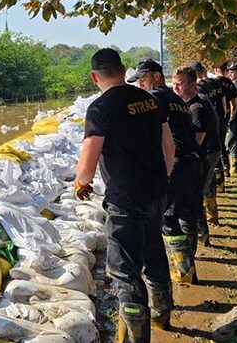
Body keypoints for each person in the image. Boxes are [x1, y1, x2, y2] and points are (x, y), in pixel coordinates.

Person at [75, 49, 175, 342]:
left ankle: (136, 336)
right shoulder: (149, 99)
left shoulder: (100, 108)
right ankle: (163, 313)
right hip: (156, 191)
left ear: (95, 77)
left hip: (126, 199)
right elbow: (168, 143)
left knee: (124, 270)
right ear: (121, 70)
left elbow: (88, 161)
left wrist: (82, 183)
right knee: (154, 250)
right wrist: (165, 176)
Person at [128, 59, 204, 288]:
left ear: (157, 76)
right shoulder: (176, 100)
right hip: (194, 163)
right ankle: (191, 267)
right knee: (187, 214)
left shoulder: (155, 98)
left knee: (167, 218)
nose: (141, 85)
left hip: (178, 164)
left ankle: (184, 268)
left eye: (143, 79)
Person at [185, 62, 222, 235]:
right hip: (213, 148)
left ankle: (202, 232)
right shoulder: (203, 98)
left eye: (179, 84)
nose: (175, 88)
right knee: (206, 185)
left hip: (207, 151)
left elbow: (198, 137)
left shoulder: (196, 105)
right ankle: (212, 218)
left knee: (197, 192)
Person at [212, 62, 237, 176]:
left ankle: (220, 170)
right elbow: (234, 102)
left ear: (215, 69)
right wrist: (232, 114)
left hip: (215, 115)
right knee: (222, 142)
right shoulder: (230, 83)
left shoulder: (212, 83)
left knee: (216, 144)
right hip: (225, 115)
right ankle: (227, 167)